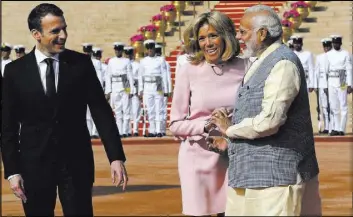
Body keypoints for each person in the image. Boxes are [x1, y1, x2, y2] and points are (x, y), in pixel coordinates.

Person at [1, 3, 128, 216]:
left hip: (76, 163)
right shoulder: (15, 72)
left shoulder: (81, 64)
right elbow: (8, 127)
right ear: (36, 34)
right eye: (55, 31)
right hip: (34, 167)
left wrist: (116, 157)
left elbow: (101, 112)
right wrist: (12, 171)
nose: (63, 35)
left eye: (64, 28)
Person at [206, 5, 320, 216]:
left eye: (243, 31)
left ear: (262, 34)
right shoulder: (262, 61)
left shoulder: (283, 63)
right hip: (250, 176)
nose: (239, 37)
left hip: (276, 179)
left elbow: (270, 121)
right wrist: (230, 143)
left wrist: (230, 130)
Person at [169, 11, 246, 216]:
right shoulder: (189, 69)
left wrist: (228, 128)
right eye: (202, 38)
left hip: (233, 156)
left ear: (226, 36)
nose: (208, 43)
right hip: (197, 159)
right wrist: (206, 126)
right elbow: (175, 124)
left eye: (213, 35)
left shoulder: (246, 66)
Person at [138, 40, 169, 137]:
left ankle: (159, 130)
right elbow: (140, 76)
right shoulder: (143, 61)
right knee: (150, 110)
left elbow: (164, 75)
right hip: (147, 86)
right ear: (146, 50)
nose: (150, 50)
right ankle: (152, 130)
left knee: (159, 109)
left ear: (154, 49)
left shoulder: (160, 60)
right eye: (148, 48)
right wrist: (140, 89)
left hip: (158, 85)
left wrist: (166, 89)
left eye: (151, 48)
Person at [105, 42, 134, 138]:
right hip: (115, 86)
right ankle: (119, 131)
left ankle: (125, 131)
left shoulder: (126, 61)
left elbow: (130, 76)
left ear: (122, 50)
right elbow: (108, 76)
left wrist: (131, 90)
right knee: (117, 110)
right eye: (116, 50)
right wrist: (108, 91)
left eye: (119, 50)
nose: (117, 51)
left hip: (124, 85)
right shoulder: (111, 61)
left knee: (126, 109)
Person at [325, 34, 352, 136]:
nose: (336, 44)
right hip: (331, 79)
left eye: (337, 43)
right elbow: (325, 70)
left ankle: (342, 129)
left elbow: (348, 69)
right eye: (334, 43)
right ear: (332, 43)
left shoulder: (345, 53)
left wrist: (350, 84)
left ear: (341, 43)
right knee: (333, 105)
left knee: (343, 104)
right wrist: (325, 85)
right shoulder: (328, 54)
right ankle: (335, 128)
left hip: (342, 78)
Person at [314, 38, 333, 134]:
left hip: (333, 84)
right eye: (325, 46)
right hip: (321, 84)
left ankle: (333, 127)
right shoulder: (319, 57)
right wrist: (315, 85)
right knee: (324, 107)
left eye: (328, 46)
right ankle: (327, 127)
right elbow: (316, 71)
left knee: (333, 107)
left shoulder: (335, 56)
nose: (326, 48)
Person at [155, 44, 172, 137]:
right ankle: (158, 129)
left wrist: (168, 89)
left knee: (162, 109)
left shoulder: (164, 62)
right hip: (157, 86)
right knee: (158, 108)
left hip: (161, 87)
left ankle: (162, 128)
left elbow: (167, 77)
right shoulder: (156, 61)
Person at [124, 46, 141, 136]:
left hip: (135, 89)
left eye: (129, 54)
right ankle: (127, 130)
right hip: (126, 89)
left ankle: (136, 130)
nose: (128, 56)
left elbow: (139, 78)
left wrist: (138, 91)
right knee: (127, 110)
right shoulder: (123, 64)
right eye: (126, 54)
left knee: (136, 110)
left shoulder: (137, 65)